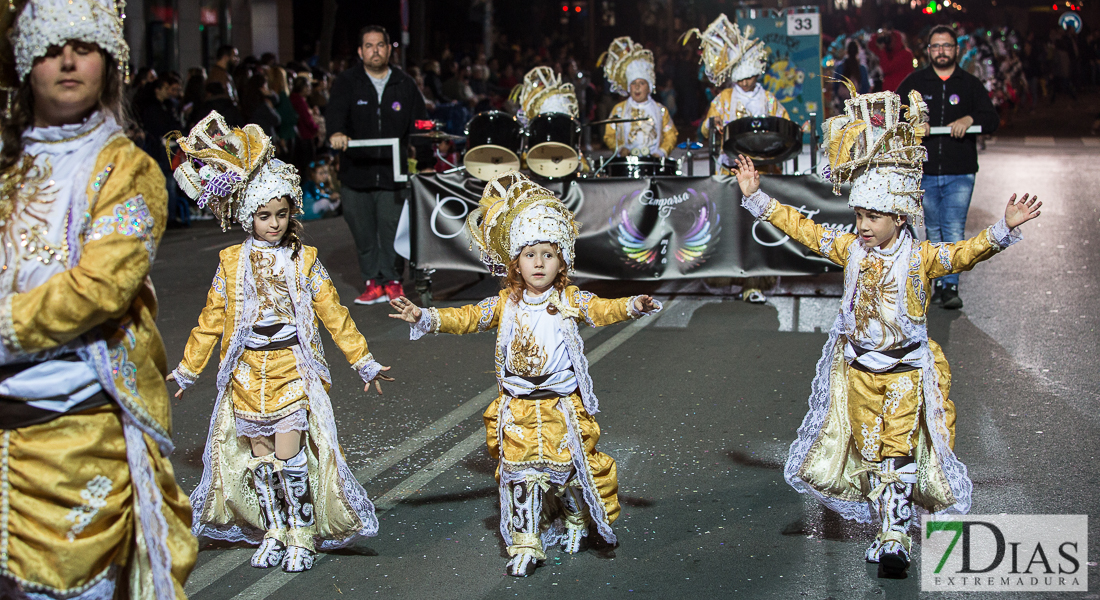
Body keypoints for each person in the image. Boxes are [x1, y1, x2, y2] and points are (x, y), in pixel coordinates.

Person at [731, 86, 1041, 579]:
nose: (863, 225)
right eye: (858, 214)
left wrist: (1002, 230)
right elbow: (806, 231)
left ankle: (895, 537)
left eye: (873, 216)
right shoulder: (850, 248)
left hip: (904, 373)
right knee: (872, 454)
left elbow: (963, 253)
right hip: (858, 370)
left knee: (897, 452)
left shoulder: (920, 259)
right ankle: (885, 525)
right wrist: (758, 198)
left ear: (899, 216)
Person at [0, 0, 197, 597]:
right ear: (25, 63)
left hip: (74, 433)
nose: (66, 61)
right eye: (51, 48)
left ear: (108, 66)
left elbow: (98, 289)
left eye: (83, 48)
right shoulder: (6, 166)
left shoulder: (124, 168)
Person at [389, 172, 661, 577]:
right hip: (515, 409)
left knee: (566, 472)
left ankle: (573, 515)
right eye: (530, 254)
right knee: (519, 477)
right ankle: (525, 541)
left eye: (548, 254)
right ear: (515, 260)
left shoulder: (569, 299)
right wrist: (425, 317)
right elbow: (466, 317)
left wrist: (633, 305)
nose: (538, 263)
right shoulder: (506, 303)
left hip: (560, 407)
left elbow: (602, 310)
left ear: (562, 259)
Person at [167, 112, 391, 573]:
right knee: (261, 459)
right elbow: (211, 318)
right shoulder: (231, 261)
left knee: (290, 456)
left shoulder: (304, 259)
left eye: (282, 214)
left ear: (292, 214)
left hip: (290, 366)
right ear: (249, 216)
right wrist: (188, 368)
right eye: (264, 215)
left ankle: (302, 532)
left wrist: (363, 361)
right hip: (247, 374)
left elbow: (333, 313)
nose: (274, 223)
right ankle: (274, 529)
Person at [684, 14, 787, 303]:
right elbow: (707, 126)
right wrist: (713, 125)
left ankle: (753, 281)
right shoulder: (723, 99)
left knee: (757, 226)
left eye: (751, 76)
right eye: (741, 77)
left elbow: (783, 126)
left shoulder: (768, 99)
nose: (747, 81)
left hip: (760, 174)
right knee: (731, 226)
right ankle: (726, 275)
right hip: (731, 174)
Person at [896, 25, 999, 309]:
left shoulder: (969, 84)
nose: (942, 51)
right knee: (933, 229)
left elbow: (992, 119)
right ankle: (937, 280)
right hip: (925, 172)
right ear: (928, 51)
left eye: (947, 46)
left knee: (953, 227)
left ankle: (950, 287)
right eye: (936, 46)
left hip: (960, 172)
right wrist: (913, 124)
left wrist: (969, 119)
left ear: (957, 50)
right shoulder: (916, 83)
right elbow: (891, 114)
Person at [328, 25, 428, 305]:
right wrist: (335, 133)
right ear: (360, 51)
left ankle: (393, 281)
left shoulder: (404, 84)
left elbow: (419, 125)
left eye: (380, 45)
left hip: (391, 173)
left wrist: (427, 161)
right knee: (363, 231)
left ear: (388, 49)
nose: (375, 50)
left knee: (392, 229)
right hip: (355, 173)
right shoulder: (347, 82)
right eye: (369, 46)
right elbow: (335, 115)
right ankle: (372, 281)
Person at [599, 37, 678, 159]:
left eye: (641, 83)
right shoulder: (619, 110)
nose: (637, 88)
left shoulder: (660, 111)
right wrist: (620, 148)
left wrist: (661, 152)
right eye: (633, 84)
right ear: (629, 87)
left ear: (649, 87)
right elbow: (609, 135)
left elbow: (671, 135)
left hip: (653, 163)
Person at [869, 26, 915, 92]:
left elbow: (887, 68)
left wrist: (882, 50)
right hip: (890, 93)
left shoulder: (906, 54)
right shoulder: (887, 52)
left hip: (901, 92)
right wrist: (879, 35)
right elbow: (871, 45)